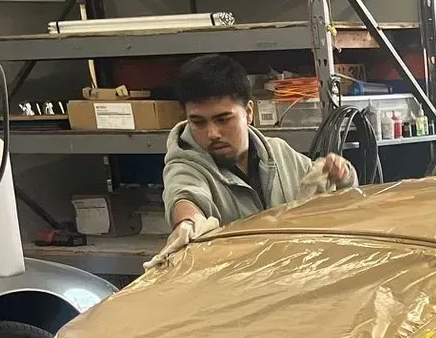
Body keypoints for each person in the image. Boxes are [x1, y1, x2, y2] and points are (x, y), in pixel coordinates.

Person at [148, 53, 358, 267]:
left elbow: (334, 194)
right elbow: (184, 194)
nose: (212, 133)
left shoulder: (278, 152)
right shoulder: (187, 165)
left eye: (223, 119)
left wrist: (342, 175)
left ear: (249, 112)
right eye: (198, 122)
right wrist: (187, 223)